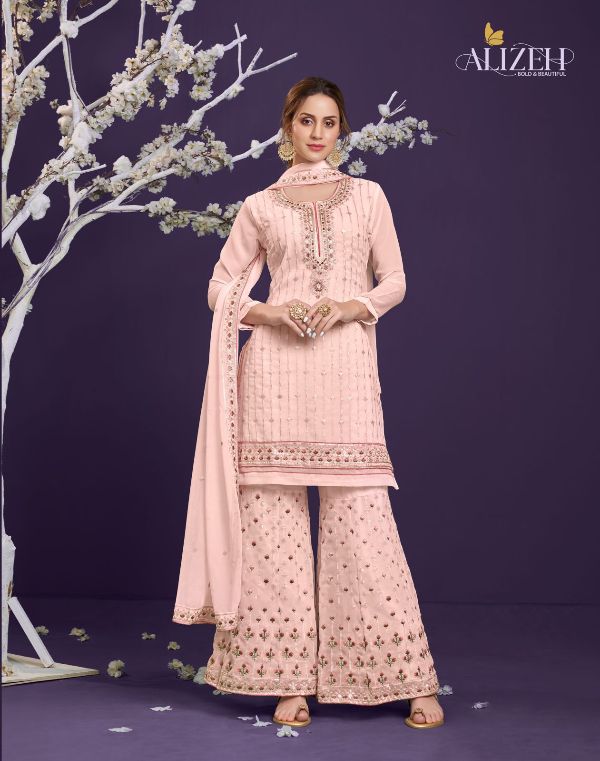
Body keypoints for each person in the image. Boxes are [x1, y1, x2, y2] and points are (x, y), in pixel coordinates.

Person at [172, 76, 444, 730]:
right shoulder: (261, 205)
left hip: (346, 370)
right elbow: (219, 287)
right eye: (306, 120)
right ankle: (286, 679)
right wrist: (269, 313)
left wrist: (353, 306)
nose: (318, 133)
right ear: (287, 126)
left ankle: (405, 676)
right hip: (273, 376)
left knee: (363, 522)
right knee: (273, 532)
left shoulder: (369, 197)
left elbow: (396, 279)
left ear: (341, 128)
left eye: (329, 121)